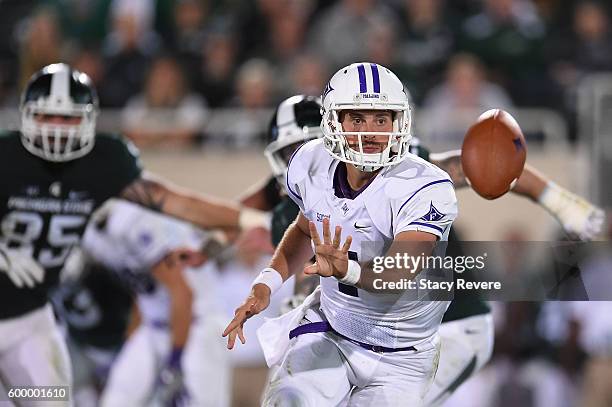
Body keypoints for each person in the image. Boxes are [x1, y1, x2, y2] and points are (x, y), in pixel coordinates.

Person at [233, 85, 606, 405]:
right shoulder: (301, 187)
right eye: (289, 152)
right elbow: (233, 215)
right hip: (368, 328)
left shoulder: (403, 171)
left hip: (443, 326)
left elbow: (486, 166)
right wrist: (216, 251)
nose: (303, 156)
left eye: (309, 143)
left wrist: (558, 201)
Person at [0, 63, 265, 404]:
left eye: (68, 119)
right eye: (48, 117)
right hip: (141, 324)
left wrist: (248, 217)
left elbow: (177, 205)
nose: (58, 131)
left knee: (51, 398)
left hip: (35, 319)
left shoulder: (111, 176)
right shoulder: (8, 158)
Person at [224, 62, 459, 406]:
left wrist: (346, 269)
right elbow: (304, 229)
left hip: (403, 355)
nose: (370, 132)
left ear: (399, 122)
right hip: (332, 328)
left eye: (381, 119)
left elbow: (397, 273)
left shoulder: (424, 185)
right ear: (334, 122)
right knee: (289, 401)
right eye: (357, 119)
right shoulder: (310, 161)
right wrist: (266, 284)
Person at [80, 201, 230, 407]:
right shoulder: (93, 232)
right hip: (153, 327)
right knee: (116, 399)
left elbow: (183, 293)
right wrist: (130, 342)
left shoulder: (133, 218)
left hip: (197, 325)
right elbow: (142, 290)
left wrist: (176, 359)